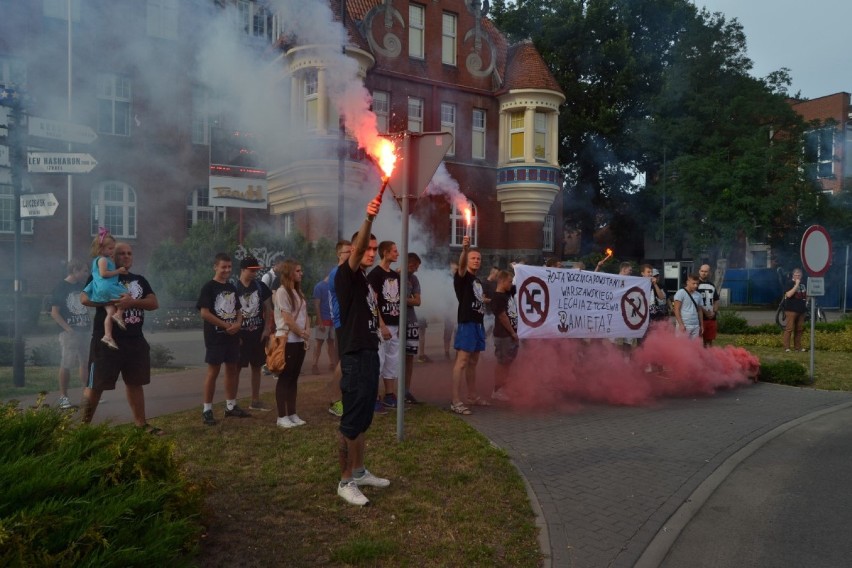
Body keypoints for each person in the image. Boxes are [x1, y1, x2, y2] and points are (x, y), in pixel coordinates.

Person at [334, 197, 390, 506]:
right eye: (366, 248)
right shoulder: (346, 275)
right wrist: (368, 217)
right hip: (354, 357)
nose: (371, 252)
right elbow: (355, 252)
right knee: (350, 422)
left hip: (369, 353)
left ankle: (359, 471)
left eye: (374, 248)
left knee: (364, 419)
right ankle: (344, 482)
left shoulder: (366, 282)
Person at [80, 242, 162, 434]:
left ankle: (141, 425)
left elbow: (153, 302)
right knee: (95, 385)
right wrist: (111, 301)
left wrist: (132, 301)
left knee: (135, 383)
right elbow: (83, 299)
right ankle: (81, 430)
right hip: (107, 340)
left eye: (129, 253)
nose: (126, 256)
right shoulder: (99, 276)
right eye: (121, 253)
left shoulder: (139, 280)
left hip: (135, 340)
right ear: (112, 257)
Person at [197, 253, 246, 426]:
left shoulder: (232, 288)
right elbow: (204, 313)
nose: (226, 270)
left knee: (232, 369)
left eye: (229, 267)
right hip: (215, 337)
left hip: (232, 337)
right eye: (223, 267)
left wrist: (238, 324)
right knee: (213, 371)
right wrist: (226, 325)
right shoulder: (209, 287)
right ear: (215, 267)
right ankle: (207, 409)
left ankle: (231, 406)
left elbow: (239, 310)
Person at [450, 235, 487, 415]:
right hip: (467, 322)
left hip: (478, 324)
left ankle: (472, 395)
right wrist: (465, 249)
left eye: (479, 258)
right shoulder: (462, 277)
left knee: (473, 362)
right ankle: (455, 400)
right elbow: (462, 266)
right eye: (473, 258)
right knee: (462, 361)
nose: (476, 261)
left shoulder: (478, 281)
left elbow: (480, 299)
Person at [272, 259, 311, 428]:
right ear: (289, 273)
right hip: (287, 338)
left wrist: (307, 331)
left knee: (294, 377)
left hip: (299, 339)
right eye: (297, 271)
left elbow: (305, 314)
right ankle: (282, 416)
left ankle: (292, 413)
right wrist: (301, 332)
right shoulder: (282, 292)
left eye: (301, 270)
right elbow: (287, 318)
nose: (301, 273)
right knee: (285, 377)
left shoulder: (298, 292)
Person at [50, 259, 91, 409]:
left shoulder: (82, 287)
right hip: (69, 333)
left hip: (85, 331)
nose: (87, 274)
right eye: (84, 270)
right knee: (66, 363)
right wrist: (68, 329)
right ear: (75, 270)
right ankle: (63, 397)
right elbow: (54, 313)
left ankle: (88, 394)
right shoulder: (61, 287)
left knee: (85, 362)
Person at [235, 256, 273, 411]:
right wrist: (235, 334)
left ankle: (255, 400)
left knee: (256, 366)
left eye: (256, 270)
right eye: (252, 271)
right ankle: (232, 402)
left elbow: (268, 308)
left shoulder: (260, 286)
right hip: (241, 334)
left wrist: (266, 328)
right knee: (235, 368)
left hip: (257, 333)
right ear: (243, 270)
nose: (254, 273)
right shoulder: (234, 287)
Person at [367, 240, 402, 409]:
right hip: (382, 325)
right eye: (394, 251)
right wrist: (381, 324)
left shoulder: (396, 276)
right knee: (378, 360)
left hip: (395, 324)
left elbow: (400, 301)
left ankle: (389, 395)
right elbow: (373, 303)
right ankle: (373, 397)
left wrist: (400, 324)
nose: (397, 254)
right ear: (386, 253)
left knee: (392, 361)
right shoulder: (375, 274)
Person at [83, 229, 129, 350]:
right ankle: (119, 315)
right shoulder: (103, 260)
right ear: (100, 249)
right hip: (107, 287)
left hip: (100, 292)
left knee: (109, 313)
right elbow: (104, 274)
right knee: (126, 295)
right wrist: (118, 271)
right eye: (110, 248)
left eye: (113, 248)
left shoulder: (99, 260)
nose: (112, 250)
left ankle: (107, 335)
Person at [326, 240, 352, 417]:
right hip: (343, 322)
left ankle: (345, 397)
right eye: (347, 252)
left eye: (352, 251)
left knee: (349, 361)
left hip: (350, 321)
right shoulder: (337, 273)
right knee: (343, 362)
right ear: (338, 254)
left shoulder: (347, 272)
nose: (350, 254)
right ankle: (335, 401)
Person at [490, 269, 518, 402]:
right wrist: (512, 332)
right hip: (503, 336)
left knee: (507, 363)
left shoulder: (507, 294)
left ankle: (504, 388)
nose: (511, 284)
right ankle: (497, 390)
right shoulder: (497, 297)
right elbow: (502, 317)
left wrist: (517, 269)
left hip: (509, 336)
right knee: (502, 363)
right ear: (501, 281)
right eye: (509, 281)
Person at [403, 252, 422, 403]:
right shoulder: (395, 276)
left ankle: (406, 391)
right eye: (414, 266)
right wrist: (409, 299)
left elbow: (418, 301)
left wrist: (404, 299)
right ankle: (390, 391)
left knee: (409, 358)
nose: (416, 270)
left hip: (411, 322)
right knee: (392, 358)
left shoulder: (414, 280)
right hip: (397, 322)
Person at [310, 273, 337, 375]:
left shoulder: (334, 287)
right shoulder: (319, 286)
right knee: (318, 343)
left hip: (333, 319)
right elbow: (316, 305)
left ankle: (332, 363)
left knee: (331, 342)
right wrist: (320, 321)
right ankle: (314, 365)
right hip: (323, 319)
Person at [782, 267, 808, 352]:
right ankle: (787, 347)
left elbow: (806, 295)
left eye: (799, 275)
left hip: (801, 310)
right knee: (789, 328)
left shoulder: (803, 284)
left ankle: (798, 347)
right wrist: (796, 285)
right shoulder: (789, 283)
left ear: (801, 275)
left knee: (799, 329)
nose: (798, 276)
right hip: (791, 310)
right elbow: (788, 295)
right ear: (793, 275)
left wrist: (807, 300)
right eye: (796, 274)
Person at [673, 273, 704, 339]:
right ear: (687, 282)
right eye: (693, 283)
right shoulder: (681, 292)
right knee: (682, 347)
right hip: (684, 324)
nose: (696, 286)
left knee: (694, 347)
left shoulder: (698, 295)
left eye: (697, 284)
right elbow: (676, 309)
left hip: (695, 325)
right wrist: (681, 324)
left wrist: (701, 325)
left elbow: (700, 311)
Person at [697, 264, 720, 348]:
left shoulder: (712, 285)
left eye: (706, 271)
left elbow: (716, 300)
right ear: (699, 271)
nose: (704, 273)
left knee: (709, 341)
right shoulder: (695, 284)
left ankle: (709, 358)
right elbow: (696, 302)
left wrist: (714, 312)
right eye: (702, 271)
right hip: (700, 318)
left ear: (709, 273)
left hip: (711, 318)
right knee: (699, 341)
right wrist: (705, 312)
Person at [442, 261, 458, 360]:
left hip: (457, 308)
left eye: (456, 269)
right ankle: (446, 352)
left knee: (457, 331)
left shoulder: (460, 279)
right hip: (448, 309)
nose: (455, 271)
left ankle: (457, 351)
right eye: (454, 269)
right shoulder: (445, 279)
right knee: (448, 332)